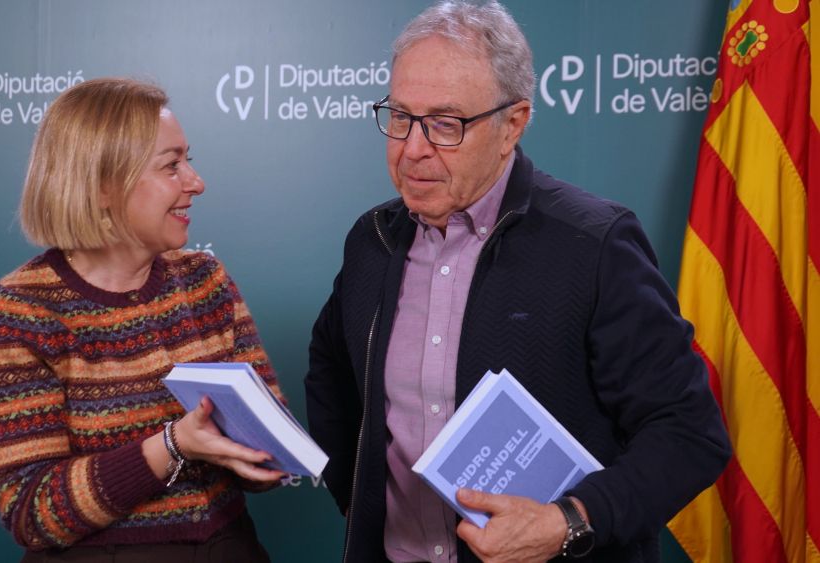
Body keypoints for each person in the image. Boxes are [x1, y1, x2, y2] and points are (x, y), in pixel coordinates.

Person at [304, 2, 731, 562]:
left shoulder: (595, 245)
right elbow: (332, 376)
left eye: (445, 124)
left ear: (513, 124)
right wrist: (363, 504)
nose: (412, 148)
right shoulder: (371, 241)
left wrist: (568, 521)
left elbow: (689, 434)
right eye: (401, 117)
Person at [0, 78, 284, 563]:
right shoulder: (15, 319)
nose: (196, 182)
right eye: (171, 166)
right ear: (103, 186)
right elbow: (33, 512)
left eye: (188, 161)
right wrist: (173, 445)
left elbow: (269, 451)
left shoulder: (205, 282)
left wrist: (262, 452)